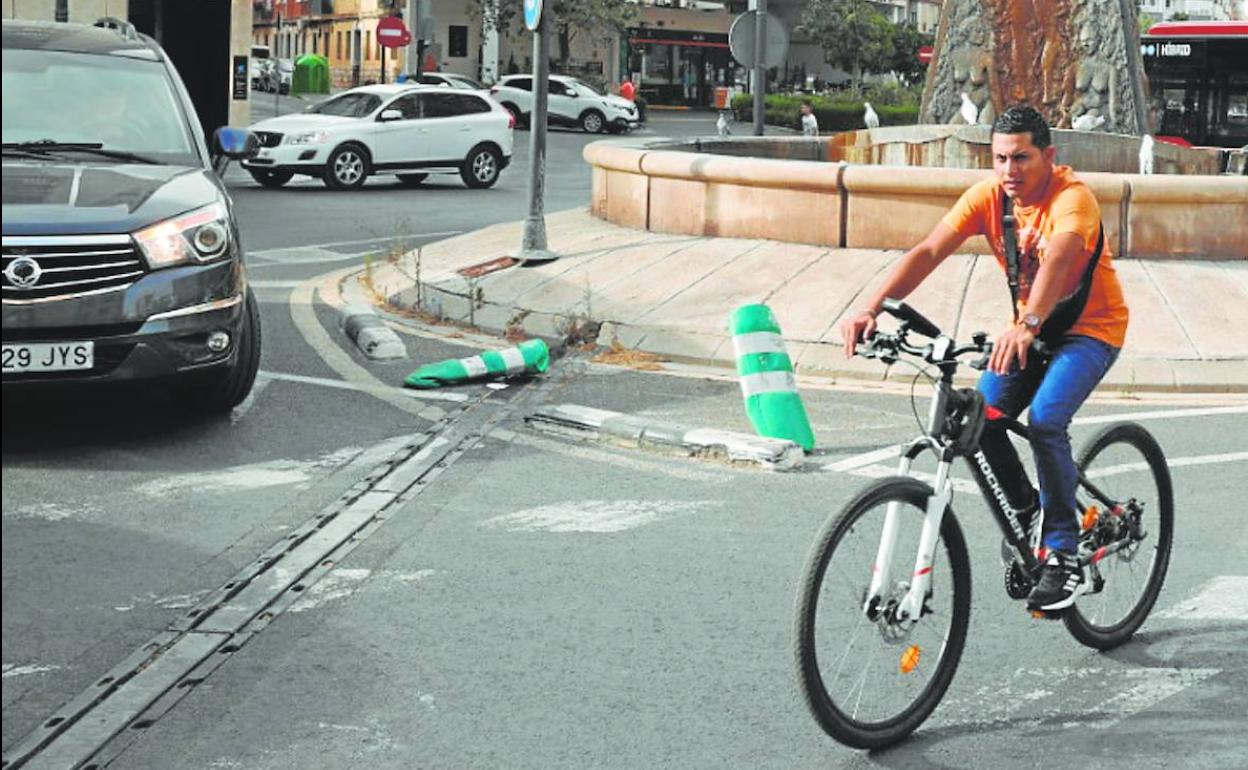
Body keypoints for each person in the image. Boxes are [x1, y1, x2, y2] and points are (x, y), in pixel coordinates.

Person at [840, 105, 1129, 612]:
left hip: (1089, 332)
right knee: (978, 418)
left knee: (1045, 421)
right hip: (1027, 335)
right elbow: (930, 250)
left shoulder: (1072, 199)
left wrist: (1028, 321)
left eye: (1021, 158)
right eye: (999, 158)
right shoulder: (990, 199)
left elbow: (1061, 256)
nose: (1009, 170)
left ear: (1049, 156)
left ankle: (1061, 551)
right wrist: (871, 309)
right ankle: (1026, 513)